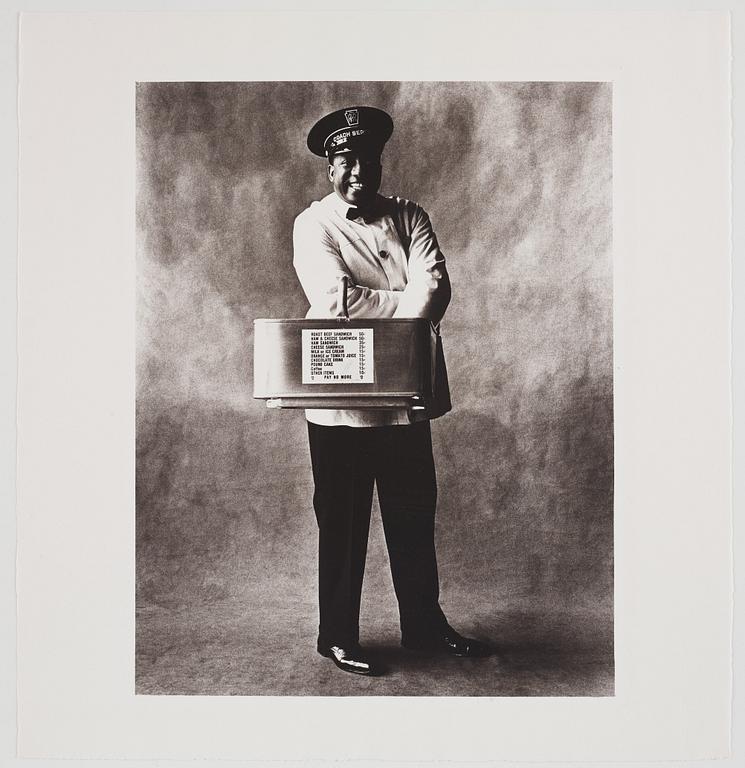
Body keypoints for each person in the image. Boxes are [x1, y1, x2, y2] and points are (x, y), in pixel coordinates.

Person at [293, 106, 488, 676]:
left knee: (412, 517)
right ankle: (337, 635)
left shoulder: (410, 215)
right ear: (330, 166)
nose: (358, 171)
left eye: (367, 159)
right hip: (342, 405)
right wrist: (404, 307)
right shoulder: (314, 225)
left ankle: (424, 628)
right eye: (346, 160)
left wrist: (393, 302)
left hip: (405, 399)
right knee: (343, 522)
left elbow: (436, 284)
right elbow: (334, 304)